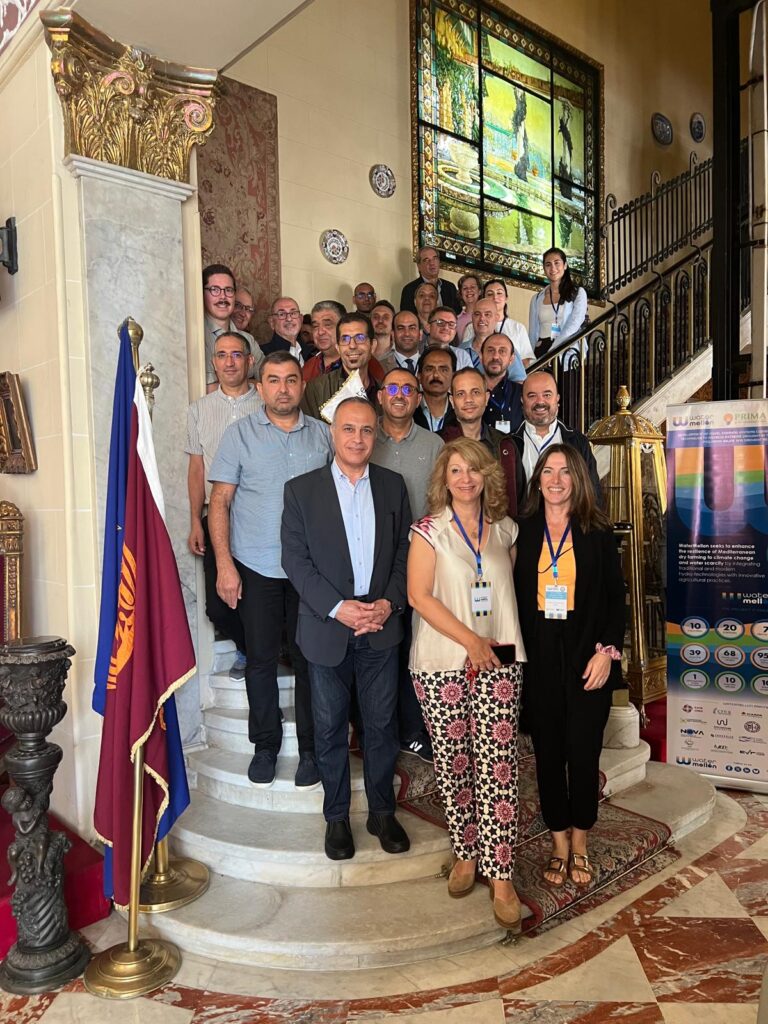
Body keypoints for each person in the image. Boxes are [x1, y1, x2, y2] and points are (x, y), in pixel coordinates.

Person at [282, 398, 412, 861]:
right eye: (348, 429)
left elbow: (405, 553)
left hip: (380, 626)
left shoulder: (393, 486)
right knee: (330, 728)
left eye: (366, 430)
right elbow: (295, 561)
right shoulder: (301, 490)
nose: (357, 439)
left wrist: (389, 603)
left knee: (381, 726)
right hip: (326, 629)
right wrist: (338, 608)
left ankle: (382, 812)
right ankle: (336, 817)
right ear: (333, 433)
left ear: (375, 435)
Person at [407, 438, 526, 931]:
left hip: (499, 661)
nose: (465, 478)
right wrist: (470, 641)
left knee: (498, 767)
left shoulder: (506, 530)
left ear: (486, 476)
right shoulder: (428, 531)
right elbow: (419, 597)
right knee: (455, 763)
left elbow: (503, 593)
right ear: (444, 478)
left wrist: (485, 644)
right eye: (455, 470)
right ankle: (465, 853)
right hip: (441, 663)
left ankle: (502, 875)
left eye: (473, 469)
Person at [208, 352, 333, 789]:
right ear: (259, 387)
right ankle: (265, 746)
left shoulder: (323, 436)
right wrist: (224, 565)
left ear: (303, 385)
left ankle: (311, 750)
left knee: (309, 660)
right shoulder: (238, 435)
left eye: (291, 379)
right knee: (260, 660)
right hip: (256, 565)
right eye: (274, 380)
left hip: (310, 570)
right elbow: (220, 502)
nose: (283, 388)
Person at [513, 444, 625, 888]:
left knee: (582, 752)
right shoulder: (521, 531)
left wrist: (607, 652)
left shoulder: (597, 531)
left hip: (587, 651)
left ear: (578, 480)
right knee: (548, 753)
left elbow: (615, 599)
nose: (556, 480)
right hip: (539, 652)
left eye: (564, 472)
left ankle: (581, 840)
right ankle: (558, 842)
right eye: (548, 471)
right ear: (537, 479)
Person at [371, 366, 444, 763]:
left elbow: (442, 502)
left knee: (416, 647)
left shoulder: (433, 445)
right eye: (392, 388)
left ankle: (415, 730)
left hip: (422, 559)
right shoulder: (366, 438)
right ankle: (377, 729)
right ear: (380, 396)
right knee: (382, 648)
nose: (399, 395)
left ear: (418, 399)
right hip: (373, 560)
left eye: (407, 389)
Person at [186, 332, 262, 681]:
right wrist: (195, 520)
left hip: (258, 514)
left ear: (249, 360)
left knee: (260, 595)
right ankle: (248, 648)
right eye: (221, 355)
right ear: (213, 363)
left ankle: (260, 654)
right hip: (216, 514)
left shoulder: (265, 402)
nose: (229, 362)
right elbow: (196, 468)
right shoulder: (199, 410)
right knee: (217, 606)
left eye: (236, 355)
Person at [442, 367, 523, 517]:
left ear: (486, 398)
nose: (468, 400)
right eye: (461, 394)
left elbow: (518, 499)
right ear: (452, 401)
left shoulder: (505, 445)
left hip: (499, 528)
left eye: (475, 392)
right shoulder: (439, 443)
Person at [511, 370, 601, 501]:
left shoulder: (578, 442)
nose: (540, 402)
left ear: (557, 398)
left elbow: (593, 495)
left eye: (547, 395)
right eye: (532, 396)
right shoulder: (508, 444)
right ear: (522, 400)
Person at [301, 313, 385, 420]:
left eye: (360, 338)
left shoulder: (385, 391)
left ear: (372, 346)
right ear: (338, 348)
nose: (352, 345)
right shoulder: (315, 390)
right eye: (345, 339)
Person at [202, 263, 263, 390]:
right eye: (215, 290)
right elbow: (210, 390)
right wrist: (251, 382)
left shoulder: (249, 340)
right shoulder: (199, 338)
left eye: (228, 290)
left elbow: (269, 383)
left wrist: (228, 384)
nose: (223, 296)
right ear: (202, 294)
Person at [528, 247, 588, 361]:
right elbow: (532, 333)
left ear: (565, 265)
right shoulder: (536, 299)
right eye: (548, 264)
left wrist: (554, 349)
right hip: (542, 350)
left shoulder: (578, 293)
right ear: (544, 269)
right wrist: (530, 358)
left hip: (567, 349)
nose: (553, 268)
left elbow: (574, 324)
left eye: (557, 263)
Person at [460, 298, 526, 383]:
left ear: (496, 318)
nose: (482, 318)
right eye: (477, 314)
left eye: (487, 314)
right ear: (472, 318)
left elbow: (519, 383)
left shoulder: (507, 351)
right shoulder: (461, 350)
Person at [481, 334, 524, 435]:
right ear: (481, 356)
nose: (495, 356)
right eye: (490, 350)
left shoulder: (521, 393)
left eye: (502, 351)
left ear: (511, 359)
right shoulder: (469, 393)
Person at [400, 245, 460, 315]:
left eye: (435, 258)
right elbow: (407, 317)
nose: (432, 263)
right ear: (419, 266)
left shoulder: (450, 287)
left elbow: (457, 315)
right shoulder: (410, 289)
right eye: (426, 260)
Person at [413, 345, 457, 433]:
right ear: (419, 376)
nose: (436, 375)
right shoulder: (410, 408)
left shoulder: (460, 408)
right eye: (429, 369)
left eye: (444, 370)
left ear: (453, 376)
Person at [261, 296, 316, 363]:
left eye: (293, 313)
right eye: (282, 314)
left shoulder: (313, 353)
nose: (289, 319)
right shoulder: (262, 355)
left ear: (301, 319)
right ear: (272, 322)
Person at [302, 300, 345, 382]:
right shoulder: (308, 368)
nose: (320, 332)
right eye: (315, 326)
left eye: (327, 325)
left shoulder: (360, 363)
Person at [370, 300, 396, 370]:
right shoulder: (362, 351)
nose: (380, 321)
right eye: (376, 317)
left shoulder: (399, 354)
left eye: (386, 317)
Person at [456, 273, 481, 341]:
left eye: (472, 287)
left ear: (479, 291)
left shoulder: (487, 317)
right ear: (461, 294)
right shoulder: (456, 320)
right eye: (465, 288)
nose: (469, 290)